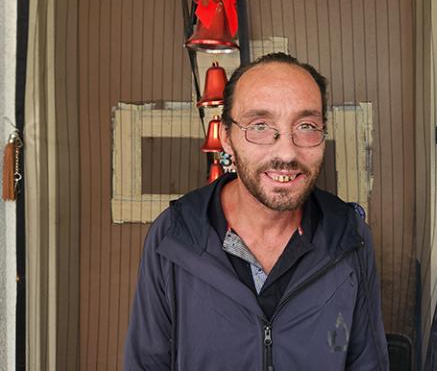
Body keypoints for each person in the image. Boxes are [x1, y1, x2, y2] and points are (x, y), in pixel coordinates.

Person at [124, 52, 389, 371]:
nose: (287, 152)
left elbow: (368, 363)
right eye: (260, 126)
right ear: (226, 137)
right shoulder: (176, 234)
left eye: (306, 126)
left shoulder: (349, 236)